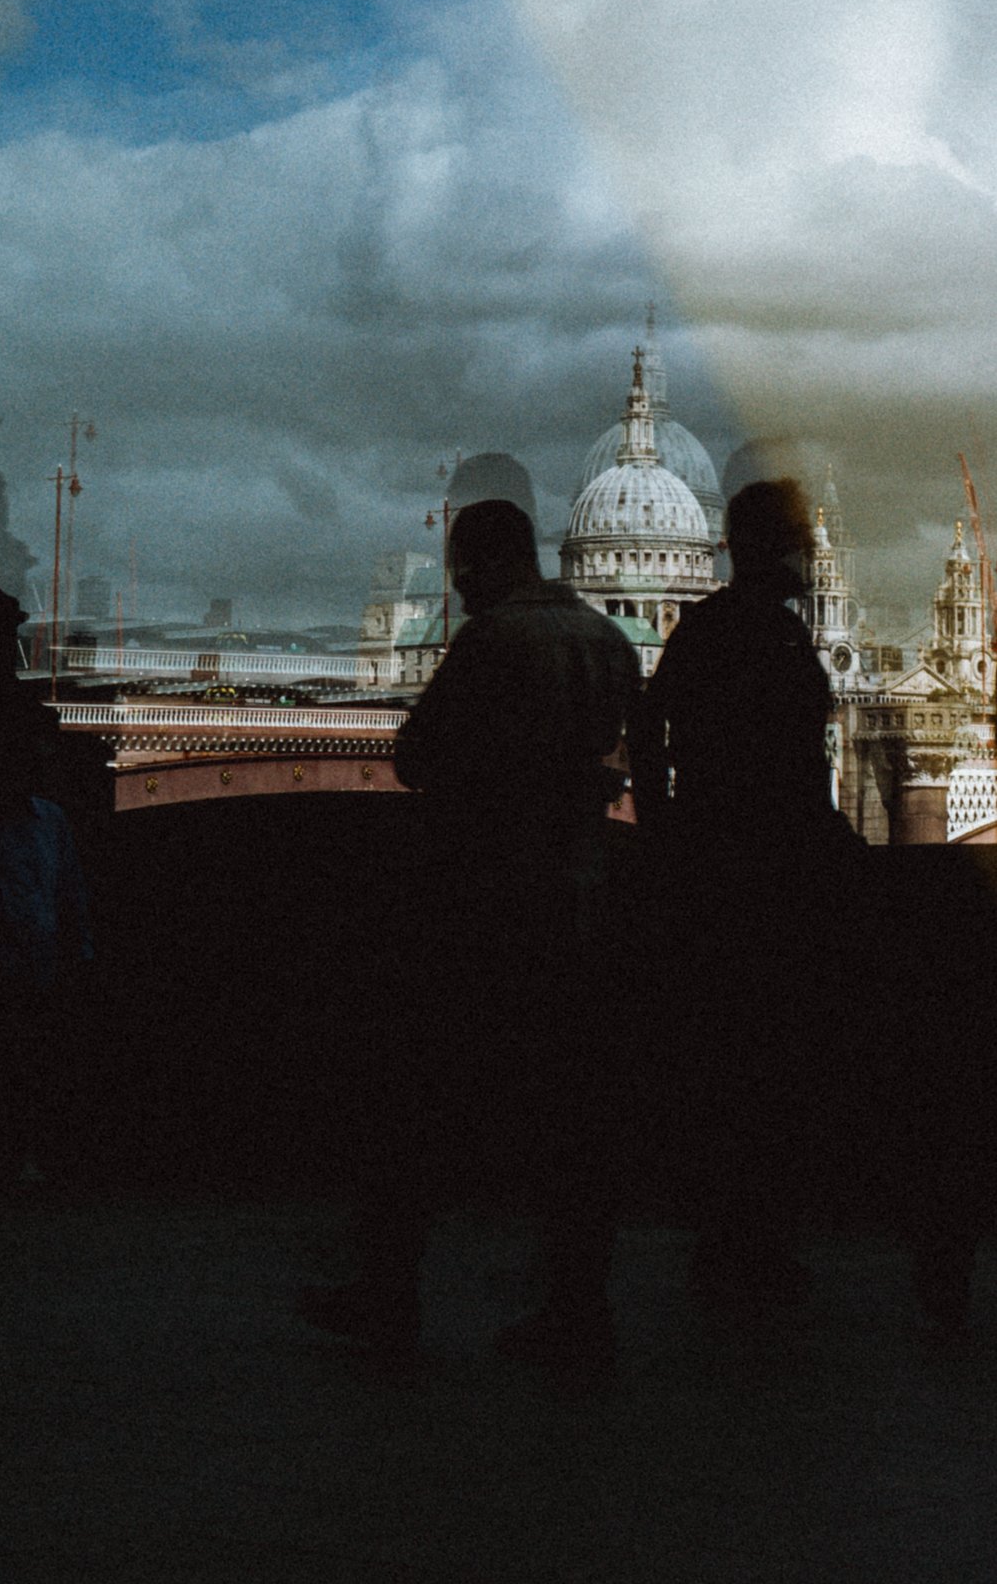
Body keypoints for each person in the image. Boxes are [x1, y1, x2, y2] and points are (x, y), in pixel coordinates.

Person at [299, 499, 639, 1372]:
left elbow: (420, 756)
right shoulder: (609, 643)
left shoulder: (491, 644)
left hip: (484, 902)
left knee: (417, 1103)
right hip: (582, 898)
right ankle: (577, 1308)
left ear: (482, 563)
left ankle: (388, 1292)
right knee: (570, 1123)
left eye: (460, 566)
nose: (455, 584)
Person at [629, 478, 861, 1317]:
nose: (811, 551)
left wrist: (664, 826)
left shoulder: (707, 628)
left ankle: (735, 1245)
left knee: (730, 1069)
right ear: (772, 546)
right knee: (765, 1070)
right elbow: (791, 773)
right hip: (764, 879)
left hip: (717, 868)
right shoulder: (762, 635)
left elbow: (649, 734)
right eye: (800, 537)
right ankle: (753, 1249)